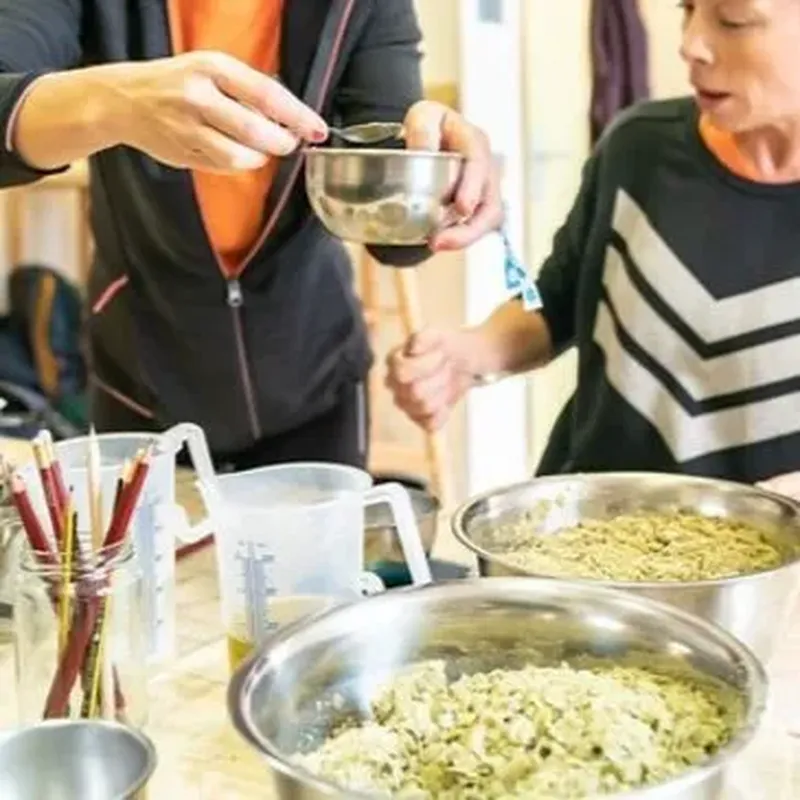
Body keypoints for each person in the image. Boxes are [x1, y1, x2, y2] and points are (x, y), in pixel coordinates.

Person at [0, 1, 501, 471]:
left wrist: (438, 182)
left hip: (315, 381)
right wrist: (113, 102)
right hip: (144, 382)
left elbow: (393, 227)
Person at [386, 0, 800, 498]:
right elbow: (556, 306)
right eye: (686, 8)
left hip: (765, 567)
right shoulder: (637, 149)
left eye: (735, 20)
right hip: (583, 536)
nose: (691, 43)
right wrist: (471, 353)